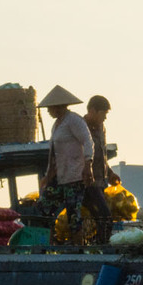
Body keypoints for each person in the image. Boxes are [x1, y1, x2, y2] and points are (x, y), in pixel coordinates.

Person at [38, 85, 94, 246]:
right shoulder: (57, 125)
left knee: (73, 215)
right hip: (59, 176)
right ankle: (47, 245)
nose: (48, 111)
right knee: (44, 208)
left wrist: (88, 164)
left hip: (74, 176)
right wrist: (48, 176)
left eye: (50, 108)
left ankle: (79, 248)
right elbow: (54, 154)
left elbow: (87, 142)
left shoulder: (74, 120)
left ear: (58, 106)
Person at [82, 95, 122, 244]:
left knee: (101, 218)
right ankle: (101, 248)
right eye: (103, 114)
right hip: (86, 183)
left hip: (100, 182)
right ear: (93, 110)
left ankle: (96, 244)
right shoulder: (80, 127)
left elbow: (101, 156)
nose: (105, 118)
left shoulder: (101, 129)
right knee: (104, 217)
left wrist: (110, 173)